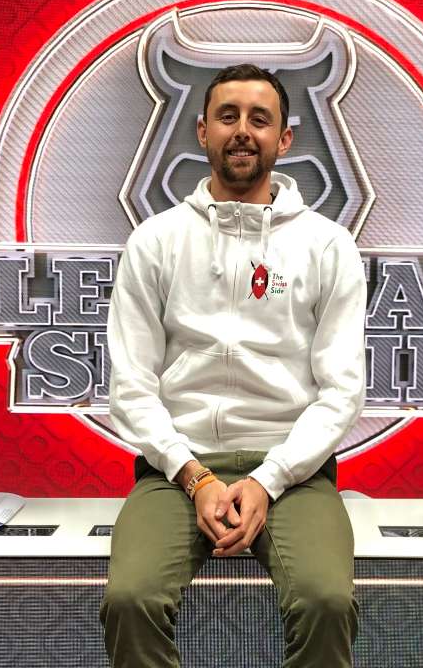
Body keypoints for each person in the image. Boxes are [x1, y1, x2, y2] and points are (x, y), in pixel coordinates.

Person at [99, 63, 367, 667]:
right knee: (130, 599)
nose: (242, 130)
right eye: (228, 116)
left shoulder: (327, 245)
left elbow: (341, 391)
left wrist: (270, 479)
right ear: (202, 131)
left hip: (295, 472)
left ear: (284, 139)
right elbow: (131, 385)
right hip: (176, 468)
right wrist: (193, 476)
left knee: (325, 601)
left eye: (259, 119)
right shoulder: (155, 241)